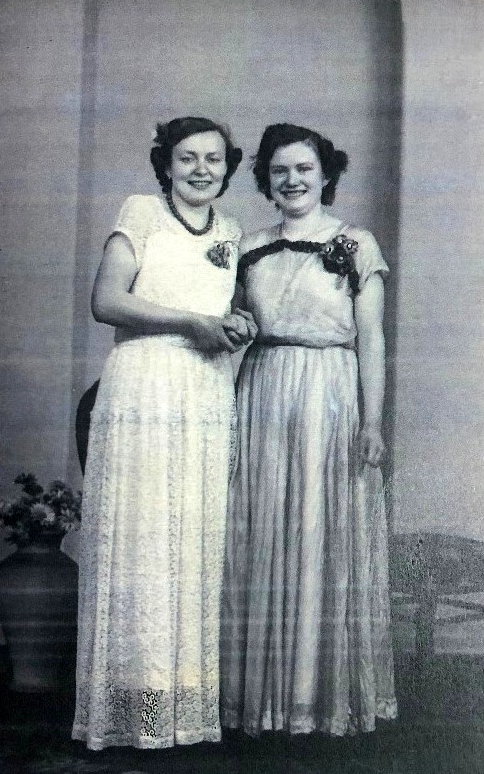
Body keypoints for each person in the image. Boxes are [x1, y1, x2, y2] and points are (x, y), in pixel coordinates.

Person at [72, 117, 256, 751]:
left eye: (213, 159)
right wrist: (191, 322)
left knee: (191, 546)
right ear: (166, 164)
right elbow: (106, 301)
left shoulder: (231, 231)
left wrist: (234, 323)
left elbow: (218, 307)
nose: (201, 169)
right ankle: (141, 719)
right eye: (187, 158)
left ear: (228, 168)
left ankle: (179, 714)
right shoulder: (141, 212)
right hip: (146, 387)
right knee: (145, 546)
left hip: (205, 392)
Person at [221, 123, 397, 737]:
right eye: (279, 171)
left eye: (304, 169)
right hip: (264, 391)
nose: (292, 181)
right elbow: (232, 321)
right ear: (265, 181)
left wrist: (372, 421)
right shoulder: (248, 247)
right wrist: (235, 324)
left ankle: (316, 704)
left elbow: (371, 339)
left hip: (330, 393)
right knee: (261, 531)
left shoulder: (356, 243)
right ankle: (258, 704)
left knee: (322, 532)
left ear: (326, 175)